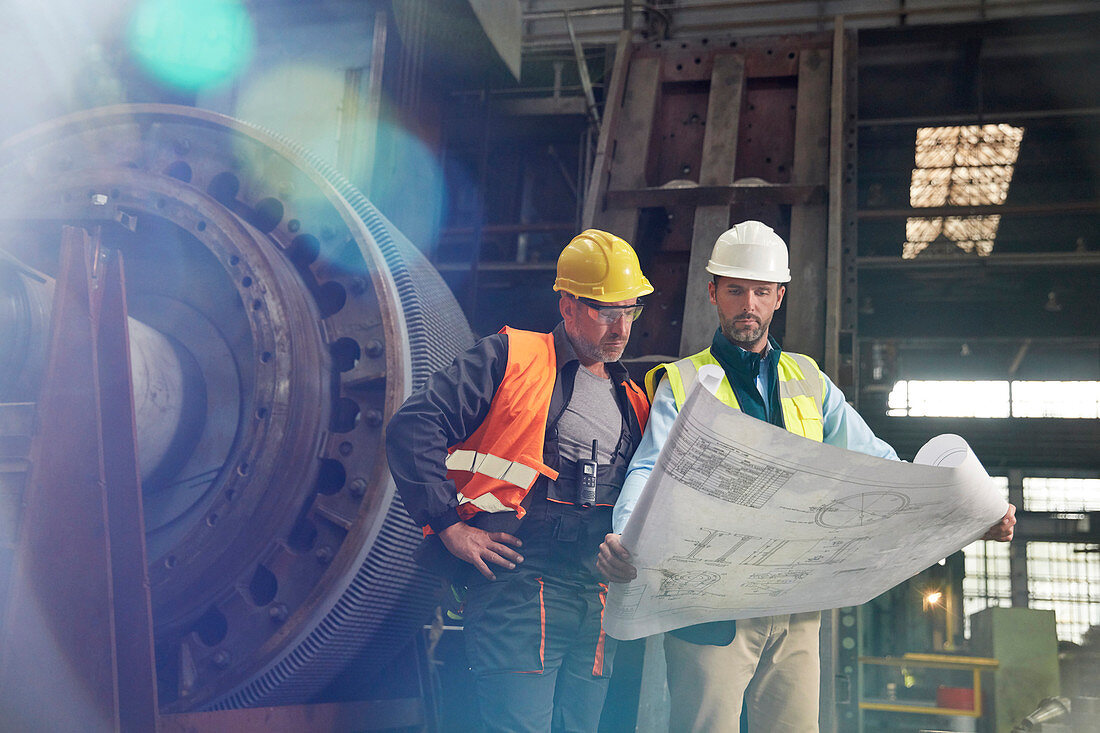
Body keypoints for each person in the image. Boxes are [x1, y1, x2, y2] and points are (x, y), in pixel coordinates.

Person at [596, 220, 1017, 733]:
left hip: (793, 603)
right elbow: (649, 467)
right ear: (713, 292)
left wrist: (969, 512)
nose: (748, 303)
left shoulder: (809, 380)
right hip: (709, 607)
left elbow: (882, 465)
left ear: (779, 297)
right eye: (735, 290)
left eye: (761, 291)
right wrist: (624, 535)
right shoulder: (685, 381)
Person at [386, 229, 654, 733]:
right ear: (568, 305)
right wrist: (449, 525)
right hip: (520, 585)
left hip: (595, 595)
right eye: (605, 310)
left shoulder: (634, 399)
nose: (621, 327)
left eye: (630, 310)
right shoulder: (510, 358)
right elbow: (414, 426)